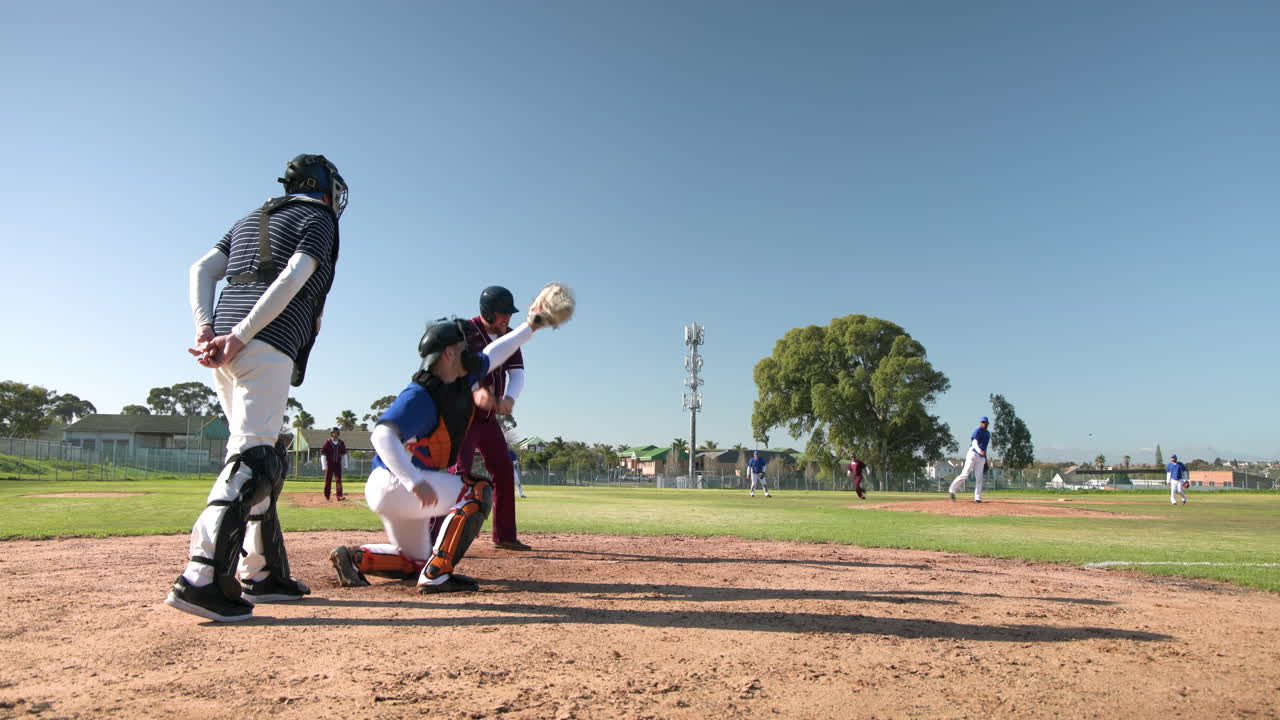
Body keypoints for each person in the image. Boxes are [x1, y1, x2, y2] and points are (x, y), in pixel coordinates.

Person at [166, 154, 348, 622]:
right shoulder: (318, 217)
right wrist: (243, 334)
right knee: (253, 459)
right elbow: (297, 273)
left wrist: (207, 328)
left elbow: (201, 269)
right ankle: (201, 577)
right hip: (262, 344)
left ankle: (261, 572)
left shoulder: (251, 218)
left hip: (228, 345)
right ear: (323, 187)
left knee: (263, 453)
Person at [329, 311, 551, 594]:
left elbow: (496, 352)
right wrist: (413, 481)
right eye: (463, 348)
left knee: (416, 560)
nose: (471, 353)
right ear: (448, 353)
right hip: (397, 483)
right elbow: (382, 435)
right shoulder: (421, 394)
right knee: (478, 490)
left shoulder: (458, 376)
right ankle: (438, 575)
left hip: (397, 487)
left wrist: (531, 326)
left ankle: (355, 558)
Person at [451, 286, 532, 550]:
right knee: (459, 476)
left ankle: (505, 536)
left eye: (510, 314)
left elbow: (517, 373)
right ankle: (446, 540)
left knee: (504, 469)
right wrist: (476, 392)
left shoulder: (508, 336)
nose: (507, 319)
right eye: (503, 314)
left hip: (487, 419)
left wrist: (510, 398)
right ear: (487, 311)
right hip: (464, 415)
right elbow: (460, 370)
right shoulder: (466, 331)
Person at [949, 416, 990, 503]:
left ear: (988, 423)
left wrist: (985, 459)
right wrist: (979, 451)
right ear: (980, 423)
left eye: (985, 422)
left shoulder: (988, 434)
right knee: (965, 474)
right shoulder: (977, 430)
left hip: (981, 458)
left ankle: (977, 498)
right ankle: (952, 490)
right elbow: (974, 443)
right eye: (982, 422)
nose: (984, 423)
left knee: (979, 478)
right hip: (973, 454)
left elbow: (984, 447)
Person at [322, 428, 348, 501]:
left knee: (338, 480)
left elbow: (344, 454)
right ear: (331, 434)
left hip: (337, 464)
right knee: (328, 480)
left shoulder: (341, 443)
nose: (334, 434)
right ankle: (327, 496)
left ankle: (339, 496)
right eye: (333, 433)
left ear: (338, 434)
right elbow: (323, 454)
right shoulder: (327, 442)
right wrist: (324, 465)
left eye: (336, 433)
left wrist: (346, 464)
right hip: (329, 464)